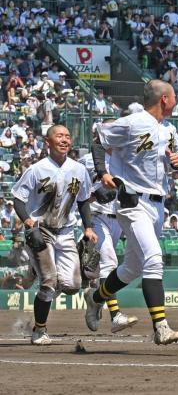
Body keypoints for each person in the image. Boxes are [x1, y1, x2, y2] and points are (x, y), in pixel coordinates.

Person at [85, 80, 178, 345]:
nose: (176, 99)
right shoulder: (132, 122)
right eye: (174, 96)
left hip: (158, 203)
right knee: (153, 258)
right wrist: (102, 172)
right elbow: (99, 138)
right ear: (164, 99)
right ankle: (160, 327)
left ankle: (95, 298)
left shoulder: (169, 130)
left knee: (131, 267)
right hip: (132, 201)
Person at [13, 125, 95, 345]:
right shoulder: (36, 170)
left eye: (68, 136)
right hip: (41, 231)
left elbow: (84, 200)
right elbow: (18, 200)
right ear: (47, 142)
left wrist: (88, 227)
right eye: (59, 136)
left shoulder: (78, 169)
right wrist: (28, 222)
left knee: (72, 286)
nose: (64, 140)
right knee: (49, 282)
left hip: (66, 231)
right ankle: (39, 330)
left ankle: (33, 268)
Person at [78, 121, 138, 334]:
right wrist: (95, 195)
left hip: (119, 219)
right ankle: (116, 316)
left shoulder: (124, 160)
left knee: (99, 270)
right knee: (110, 263)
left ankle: (93, 300)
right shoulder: (87, 160)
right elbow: (79, 194)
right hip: (96, 217)